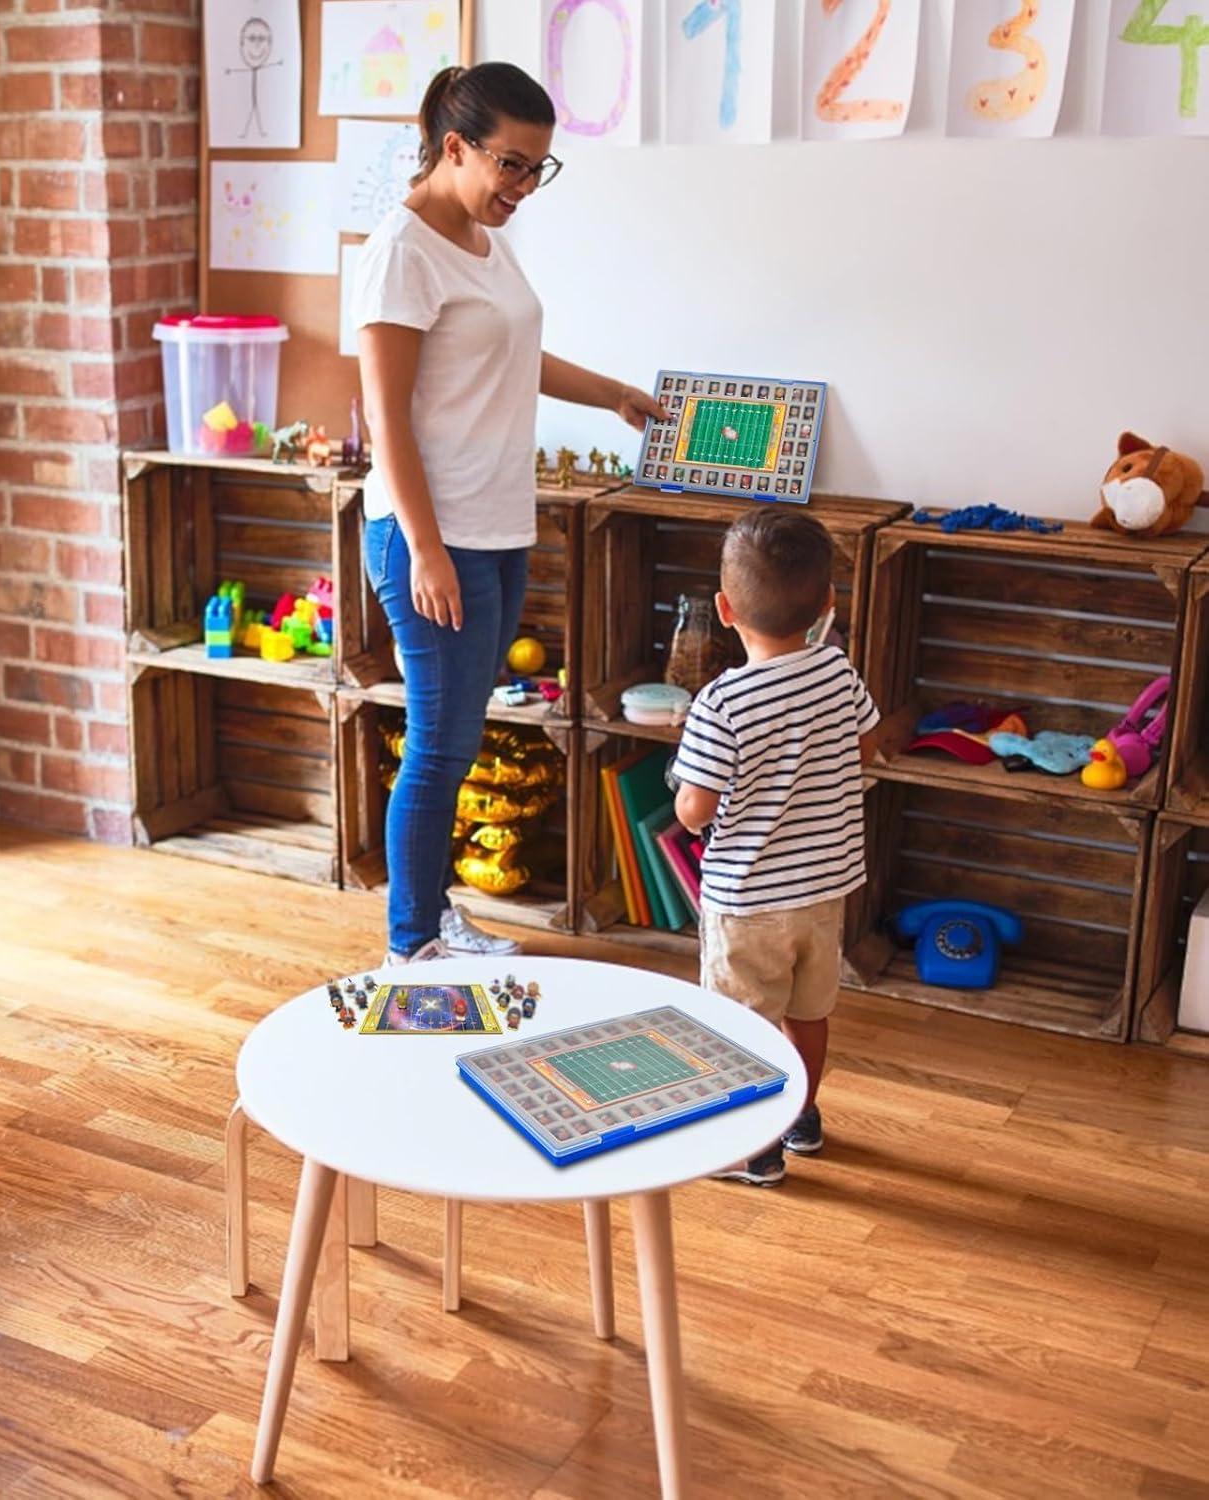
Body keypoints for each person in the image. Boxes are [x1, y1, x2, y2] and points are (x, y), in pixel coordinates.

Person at [352, 62, 664, 966]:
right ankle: (410, 943)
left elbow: (511, 346)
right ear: (456, 148)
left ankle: (432, 917)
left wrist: (609, 393)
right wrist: (425, 550)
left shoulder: (483, 239)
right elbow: (387, 420)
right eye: (512, 166)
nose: (524, 188)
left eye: (539, 169)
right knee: (441, 745)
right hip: (432, 536)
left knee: (459, 732)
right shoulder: (399, 255)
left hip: (496, 528)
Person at [671, 510, 882, 1186]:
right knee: (808, 1012)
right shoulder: (838, 675)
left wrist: (685, 799)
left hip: (748, 902)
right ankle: (801, 1117)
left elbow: (696, 808)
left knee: (738, 1024)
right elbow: (865, 747)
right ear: (826, 605)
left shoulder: (720, 703)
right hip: (824, 893)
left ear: (725, 610)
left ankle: (749, 1149)